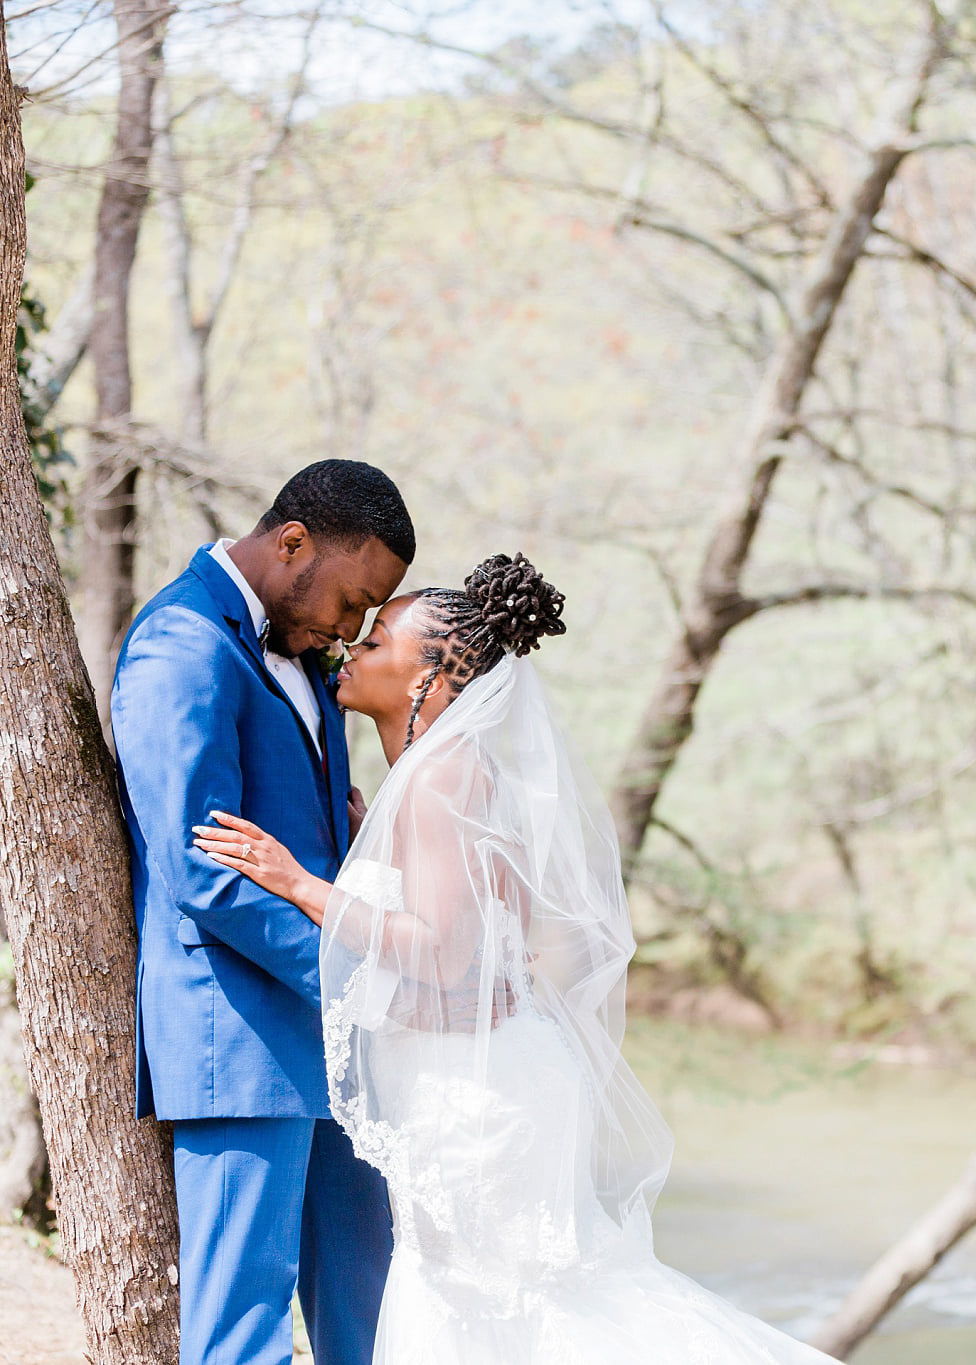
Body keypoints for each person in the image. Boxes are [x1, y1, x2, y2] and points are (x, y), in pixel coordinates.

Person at [192, 552, 841, 1365]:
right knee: (510, 1304)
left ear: (431, 672)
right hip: (485, 1072)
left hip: (474, 1095)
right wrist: (366, 850)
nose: (352, 646)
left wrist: (297, 883)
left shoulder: (441, 780)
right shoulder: (440, 777)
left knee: (501, 1305)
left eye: (380, 637)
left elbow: (440, 951)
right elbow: (488, 933)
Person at [112, 459, 411, 1365]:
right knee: (243, 1331)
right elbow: (200, 870)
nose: (352, 632)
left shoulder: (301, 651)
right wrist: (351, 972)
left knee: (374, 1314)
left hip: (337, 1039)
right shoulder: (183, 644)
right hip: (236, 1036)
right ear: (292, 544)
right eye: (353, 602)